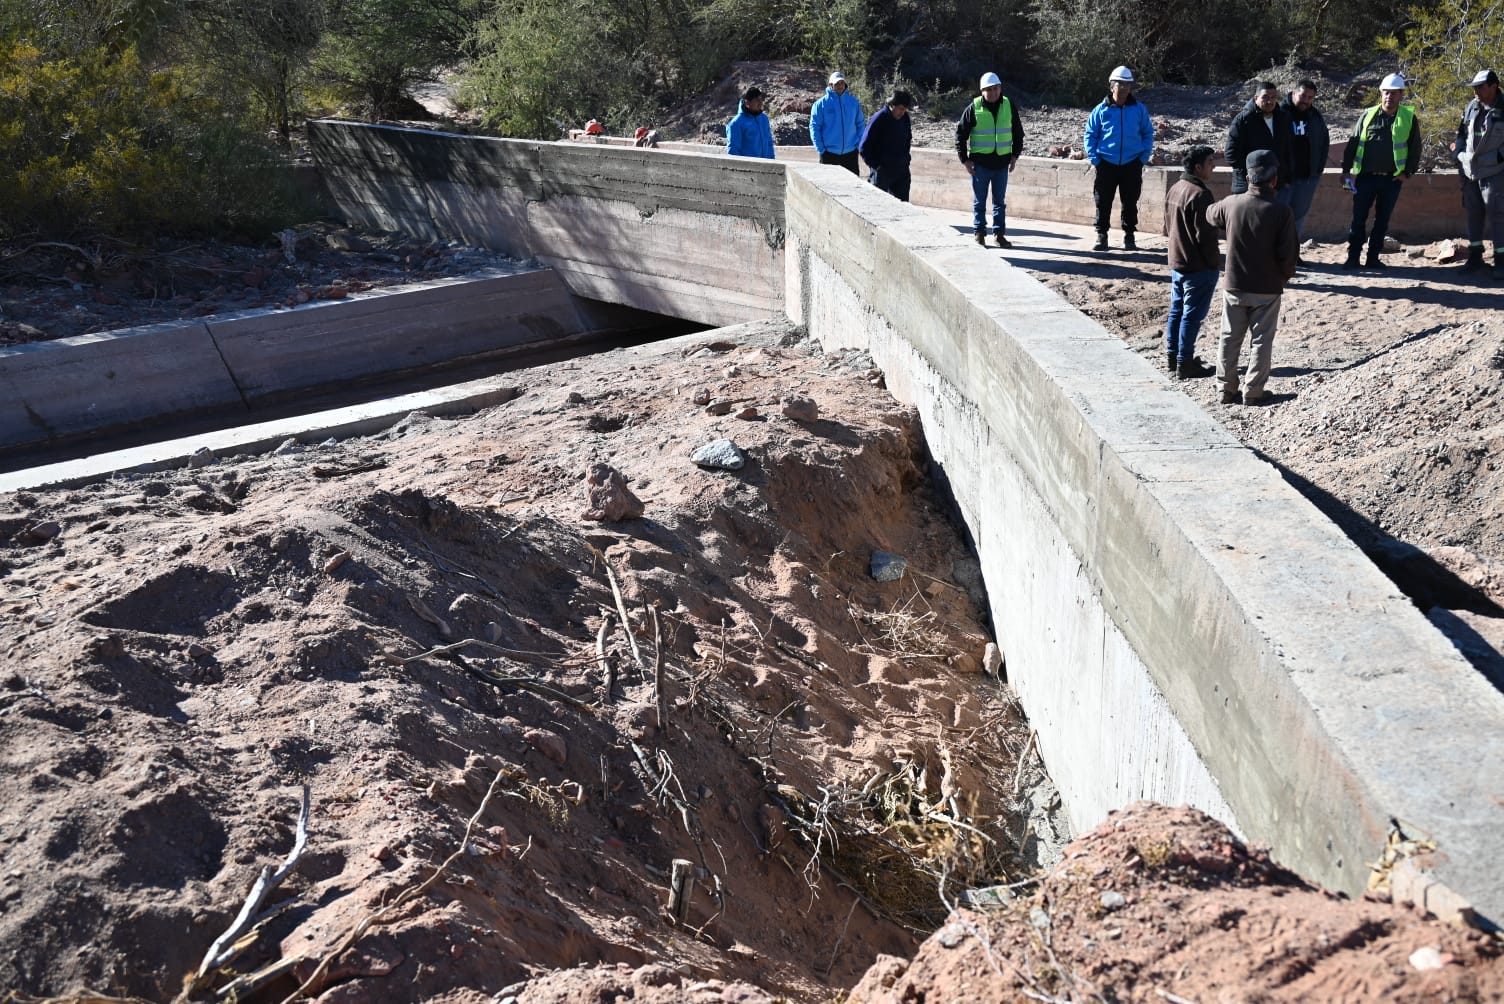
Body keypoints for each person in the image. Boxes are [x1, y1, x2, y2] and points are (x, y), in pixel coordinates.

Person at [1206, 150, 1297, 405]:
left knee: (1229, 338)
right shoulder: (1281, 211)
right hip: (1267, 288)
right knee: (1261, 341)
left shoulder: (1231, 204)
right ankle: (1253, 391)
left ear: (1248, 177)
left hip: (1234, 285)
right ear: (1274, 179)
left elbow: (1209, 214)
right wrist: (1282, 278)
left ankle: (1225, 389)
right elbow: (1289, 254)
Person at [1341, 73, 1421, 270]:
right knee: (1358, 219)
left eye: (1394, 93)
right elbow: (1353, 144)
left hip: (1391, 181)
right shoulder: (1367, 115)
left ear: (1401, 94)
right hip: (1365, 178)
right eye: (1386, 93)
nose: (1389, 97)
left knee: (1381, 221)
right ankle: (1353, 258)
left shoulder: (1408, 118)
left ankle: (1373, 258)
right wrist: (1345, 171)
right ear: (1381, 94)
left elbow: (1415, 149)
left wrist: (1407, 173)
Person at [1163, 146, 1220, 380]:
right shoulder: (1200, 194)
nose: (1213, 166)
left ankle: (1173, 356)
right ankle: (1185, 362)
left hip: (1177, 262)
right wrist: (1213, 263)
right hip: (1197, 266)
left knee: (1177, 311)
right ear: (1198, 167)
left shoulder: (1176, 188)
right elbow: (1205, 237)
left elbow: (1168, 226)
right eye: (1209, 162)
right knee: (1191, 316)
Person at [1084, 65, 1154, 251]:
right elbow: (1090, 135)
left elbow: (1148, 133)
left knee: (1130, 202)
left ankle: (1129, 236)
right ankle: (1101, 236)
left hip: (1132, 163)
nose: (1124, 88)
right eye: (1120, 84)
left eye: (1127, 85)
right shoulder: (1100, 111)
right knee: (1103, 201)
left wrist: (1143, 157)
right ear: (1111, 86)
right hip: (1106, 163)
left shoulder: (1139, 109)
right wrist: (1095, 159)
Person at [956, 71, 1024, 248]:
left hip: (1001, 164)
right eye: (988, 89)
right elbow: (960, 135)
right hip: (980, 166)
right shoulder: (974, 108)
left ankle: (999, 234)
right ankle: (979, 234)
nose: (992, 92)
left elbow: (1018, 132)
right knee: (980, 202)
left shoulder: (1008, 105)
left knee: (999, 202)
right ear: (982, 91)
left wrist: (1015, 156)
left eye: (995, 89)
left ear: (1000, 88)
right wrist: (965, 160)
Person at [1452, 69, 1504, 277]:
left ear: (1494, 87)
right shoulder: (1472, 107)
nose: (1476, 92)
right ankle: (1475, 257)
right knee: (1473, 213)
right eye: (1474, 88)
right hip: (1470, 170)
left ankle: (1501, 261)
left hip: (1495, 171)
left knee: (1498, 215)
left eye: (1481, 87)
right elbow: (1461, 134)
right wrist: (1460, 155)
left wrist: (1497, 159)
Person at [1280, 79, 1331, 241]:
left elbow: (1324, 141)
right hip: (1283, 178)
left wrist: (1318, 169)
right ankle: (1273, 256)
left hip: (1307, 178)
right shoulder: (1280, 113)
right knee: (1278, 218)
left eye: (1310, 97)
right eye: (1303, 96)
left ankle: (1293, 254)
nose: (1306, 101)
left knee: (1298, 218)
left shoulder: (1314, 116)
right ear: (1294, 93)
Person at [1226, 81, 1295, 198]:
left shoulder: (1283, 118)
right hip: (1249, 188)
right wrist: (1254, 174)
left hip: (1277, 186)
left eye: (1273, 97)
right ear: (1256, 97)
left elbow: (1288, 150)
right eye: (1265, 97)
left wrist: (1286, 177)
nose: (1270, 101)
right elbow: (1231, 154)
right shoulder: (1243, 120)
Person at [859, 90, 913, 201]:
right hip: (882, 172)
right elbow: (864, 147)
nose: (902, 113)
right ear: (892, 105)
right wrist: (876, 166)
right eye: (901, 109)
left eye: (905, 109)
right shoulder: (879, 118)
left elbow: (907, 140)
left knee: (903, 207)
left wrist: (905, 159)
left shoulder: (905, 118)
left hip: (901, 171)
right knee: (878, 206)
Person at [810, 71, 863, 174]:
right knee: (829, 188)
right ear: (830, 85)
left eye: (842, 83)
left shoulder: (853, 102)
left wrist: (858, 145)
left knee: (853, 187)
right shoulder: (820, 105)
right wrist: (821, 150)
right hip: (829, 155)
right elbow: (815, 127)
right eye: (837, 84)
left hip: (850, 154)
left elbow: (860, 123)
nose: (840, 86)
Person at [727, 86, 775, 160]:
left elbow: (769, 144)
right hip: (749, 169)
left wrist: (772, 163)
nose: (760, 103)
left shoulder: (764, 119)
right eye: (756, 100)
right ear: (747, 102)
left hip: (766, 167)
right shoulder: (736, 123)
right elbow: (733, 151)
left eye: (761, 100)